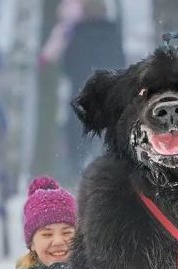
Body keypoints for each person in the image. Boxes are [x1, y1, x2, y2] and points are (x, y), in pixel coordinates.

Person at [62, 0, 125, 183]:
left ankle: (75, 171)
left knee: (77, 134)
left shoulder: (78, 32)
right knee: (105, 135)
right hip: (107, 93)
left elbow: (68, 63)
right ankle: (105, 173)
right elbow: (119, 62)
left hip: (81, 93)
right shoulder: (112, 32)